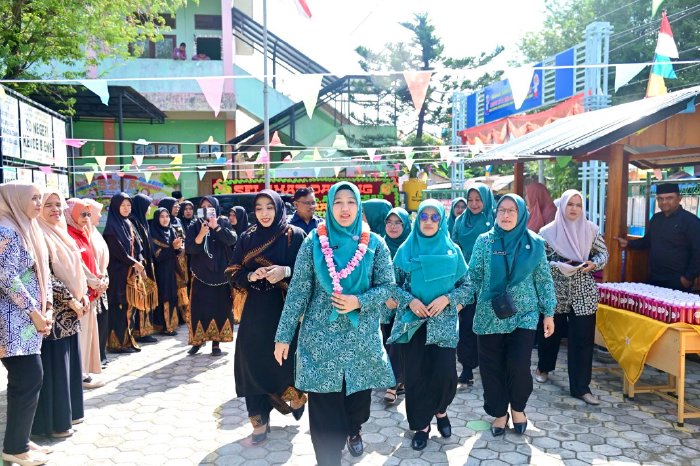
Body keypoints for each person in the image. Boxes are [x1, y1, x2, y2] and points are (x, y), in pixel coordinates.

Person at [274, 182, 396, 465]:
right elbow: (298, 291)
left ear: (359, 206)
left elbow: (388, 287)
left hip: (360, 342)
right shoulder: (314, 243)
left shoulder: (374, 244)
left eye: (351, 202)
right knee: (325, 414)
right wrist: (283, 336)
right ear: (329, 206)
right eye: (338, 202)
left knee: (357, 406)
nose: (344, 208)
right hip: (320, 343)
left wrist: (359, 301)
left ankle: (354, 429)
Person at [465, 194, 556, 436]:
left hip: (524, 314)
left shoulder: (534, 244)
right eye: (502, 210)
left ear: (521, 214)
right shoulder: (485, 241)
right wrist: (461, 300)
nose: (506, 215)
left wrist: (548, 313)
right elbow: (473, 276)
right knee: (491, 367)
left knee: (518, 365)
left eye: (511, 211)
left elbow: (543, 280)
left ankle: (518, 408)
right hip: (489, 314)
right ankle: (499, 413)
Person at [387, 199, 469, 451]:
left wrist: (448, 299)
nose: (429, 221)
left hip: (443, 324)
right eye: (424, 216)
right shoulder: (406, 250)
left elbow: (467, 287)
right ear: (417, 219)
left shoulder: (453, 251)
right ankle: (421, 425)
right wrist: (410, 301)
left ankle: (441, 410)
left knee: (445, 374)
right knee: (416, 377)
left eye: (435, 217)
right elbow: (391, 286)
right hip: (412, 324)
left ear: (442, 220)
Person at [226, 190, 307, 444]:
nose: (264, 213)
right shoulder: (247, 237)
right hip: (255, 311)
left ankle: (293, 399)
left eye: (269, 207)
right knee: (251, 362)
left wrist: (285, 271)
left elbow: (311, 272)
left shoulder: (295, 236)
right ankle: (259, 422)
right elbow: (233, 271)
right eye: (259, 208)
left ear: (279, 208)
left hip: (287, 311)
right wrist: (251, 276)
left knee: (285, 363)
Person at [537, 190, 609, 405]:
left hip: (583, 290)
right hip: (555, 290)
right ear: (562, 206)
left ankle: (581, 388)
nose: (574, 209)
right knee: (550, 334)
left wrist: (594, 264)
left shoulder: (591, 230)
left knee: (582, 340)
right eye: (570, 204)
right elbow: (538, 261)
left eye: (578, 205)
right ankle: (544, 367)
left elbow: (603, 254)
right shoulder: (547, 233)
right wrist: (557, 266)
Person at [0, 182, 53, 466]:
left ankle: (20, 439)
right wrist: (35, 311)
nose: (39, 203)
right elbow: (7, 278)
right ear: (16, 200)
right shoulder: (6, 231)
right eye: (33, 198)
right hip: (12, 319)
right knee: (29, 377)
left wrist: (48, 307)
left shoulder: (26, 228)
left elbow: (42, 271)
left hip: (29, 319)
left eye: (40, 198)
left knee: (25, 379)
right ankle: (15, 447)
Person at [32, 189, 88, 439]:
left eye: (58, 204)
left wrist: (83, 294)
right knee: (57, 366)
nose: (55, 209)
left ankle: (71, 413)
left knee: (70, 364)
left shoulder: (62, 232)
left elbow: (77, 268)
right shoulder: (38, 234)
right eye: (48, 205)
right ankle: (57, 422)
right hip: (54, 312)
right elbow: (44, 276)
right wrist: (70, 299)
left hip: (73, 311)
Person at [615, 183, 700, 291]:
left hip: (678, 280)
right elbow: (647, 241)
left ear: (679, 198)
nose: (664, 202)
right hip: (654, 277)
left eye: (669, 198)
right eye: (660, 198)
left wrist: (688, 278)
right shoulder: (656, 219)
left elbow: (698, 252)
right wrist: (628, 243)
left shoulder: (691, 221)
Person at [451, 183, 496, 386]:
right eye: (470, 200)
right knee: (467, 324)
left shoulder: (495, 219)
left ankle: (489, 367)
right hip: (467, 281)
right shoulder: (460, 221)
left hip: (490, 282)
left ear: (486, 200)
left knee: (488, 324)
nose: (474, 204)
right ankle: (467, 368)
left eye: (478, 200)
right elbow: (454, 248)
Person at [185, 196, 236, 356]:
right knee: (199, 308)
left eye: (210, 206)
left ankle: (216, 343)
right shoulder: (194, 225)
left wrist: (216, 227)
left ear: (216, 208)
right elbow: (189, 249)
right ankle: (198, 341)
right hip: (200, 274)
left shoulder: (224, 222)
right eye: (203, 206)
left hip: (221, 275)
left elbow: (232, 240)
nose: (206, 209)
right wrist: (201, 234)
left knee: (220, 308)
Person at [65, 199, 104, 390]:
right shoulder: (67, 234)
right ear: (71, 214)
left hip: (91, 293)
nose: (86, 218)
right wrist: (95, 281)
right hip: (79, 295)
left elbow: (92, 259)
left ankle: (84, 371)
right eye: (82, 214)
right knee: (81, 337)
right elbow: (77, 265)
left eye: (88, 214)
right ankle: (79, 375)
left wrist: (100, 278)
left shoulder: (82, 232)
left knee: (88, 337)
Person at [104, 193, 143, 353]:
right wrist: (135, 263)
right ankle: (116, 344)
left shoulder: (128, 223)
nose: (127, 208)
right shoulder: (111, 228)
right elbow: (119, 252)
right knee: (119, 308)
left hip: (130, 273)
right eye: (123, 205)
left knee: (129, 308)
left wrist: (139, 260)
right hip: (118, 275)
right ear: (115, 207)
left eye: (129, 205)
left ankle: (127, 341)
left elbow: (138, 246)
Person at [381, 207, 411, 404]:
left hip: (406, 304)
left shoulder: (412, 246)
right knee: (388, 340)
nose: (393, 227)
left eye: (398, 223)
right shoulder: (379, 245)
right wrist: (385, 298)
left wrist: (402, 298)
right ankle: (400, 380)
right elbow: (371, 274)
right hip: (385, 305)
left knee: (399, 341)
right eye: (389, 222)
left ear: (406, 225)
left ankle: (392, 384)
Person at [150, 207, 187, 336]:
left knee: (172, 295)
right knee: (164, 295)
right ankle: (164, 325)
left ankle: (171, 325)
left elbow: (175, 251)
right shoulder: (153, 232)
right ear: (157, 218)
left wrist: (178, 248)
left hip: (172, 268)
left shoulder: (171, 230)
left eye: (167, 216)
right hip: (161, 270)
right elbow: (157, 256)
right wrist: (172, 247)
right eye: (162, 217)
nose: (165, 219)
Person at [84, 198, 110, 367]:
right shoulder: (83, 233)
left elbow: (102, 259)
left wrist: (104, 277)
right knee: (95, 323)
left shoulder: (94, 232)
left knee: (102, 321)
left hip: (101, 283)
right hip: (91, 286)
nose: (100, 216)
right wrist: (96, 281)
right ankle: (94, 359)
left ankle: (101, 355)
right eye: (97, 212)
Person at [130, 193, 158, 343]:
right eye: (147, 206)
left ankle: (146, 330)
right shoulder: (134, 222)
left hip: (147, 264)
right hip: (140, 266)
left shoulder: (142, 221)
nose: (149, 209)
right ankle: (141, 332)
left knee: (147, 296)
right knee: (142, 297)